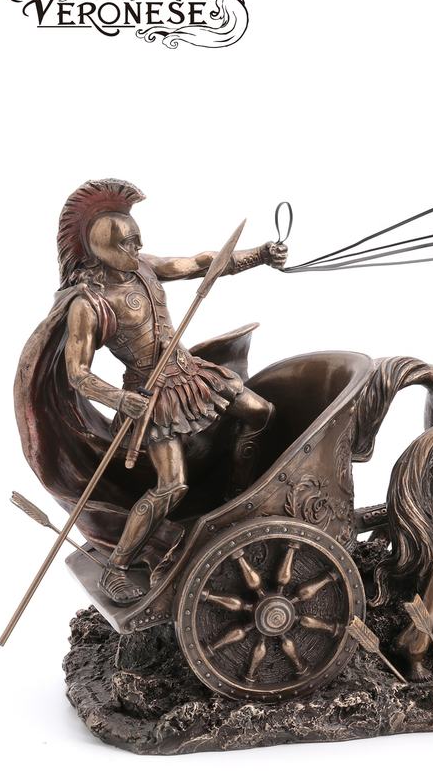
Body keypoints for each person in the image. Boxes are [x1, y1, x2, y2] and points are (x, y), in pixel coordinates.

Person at [53, 179, 286, 604]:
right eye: (127, 244)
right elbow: (78, 374)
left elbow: (199, 263)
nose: (137, 249)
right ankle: (117, 567)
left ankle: (237, 499)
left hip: (190, 373)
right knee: (172, 486)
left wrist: (260, 255)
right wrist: (121, 400)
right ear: (101, 248)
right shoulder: (88, 304)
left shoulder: (144, 267)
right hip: (150, 396)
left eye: (137, 240)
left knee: (260, 413)